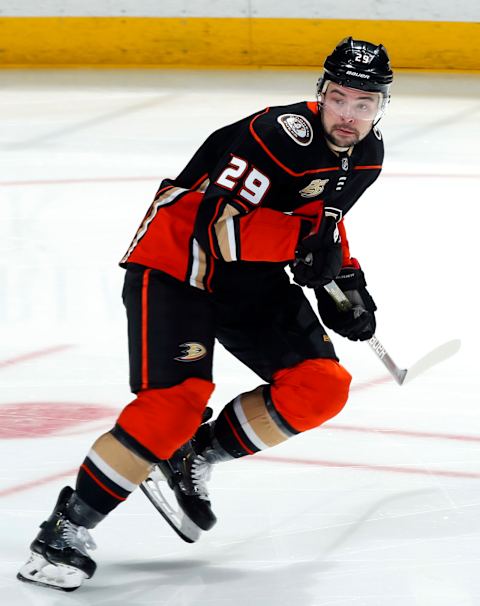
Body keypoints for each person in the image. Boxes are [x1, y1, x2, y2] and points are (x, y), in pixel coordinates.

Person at [17, 37, 393, 591]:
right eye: (339, 98)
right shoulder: (275, 136)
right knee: (174, 403)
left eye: (364, 104)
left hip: (250, 275)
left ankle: (196, 453)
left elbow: (322, 219)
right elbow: (216, 229)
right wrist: (303, 245)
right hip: (177, 264)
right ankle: (62, 533)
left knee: (321, 386)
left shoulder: (367, 154)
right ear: (320, 93)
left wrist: (346, 280)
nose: (349, 115)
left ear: (382, 106)